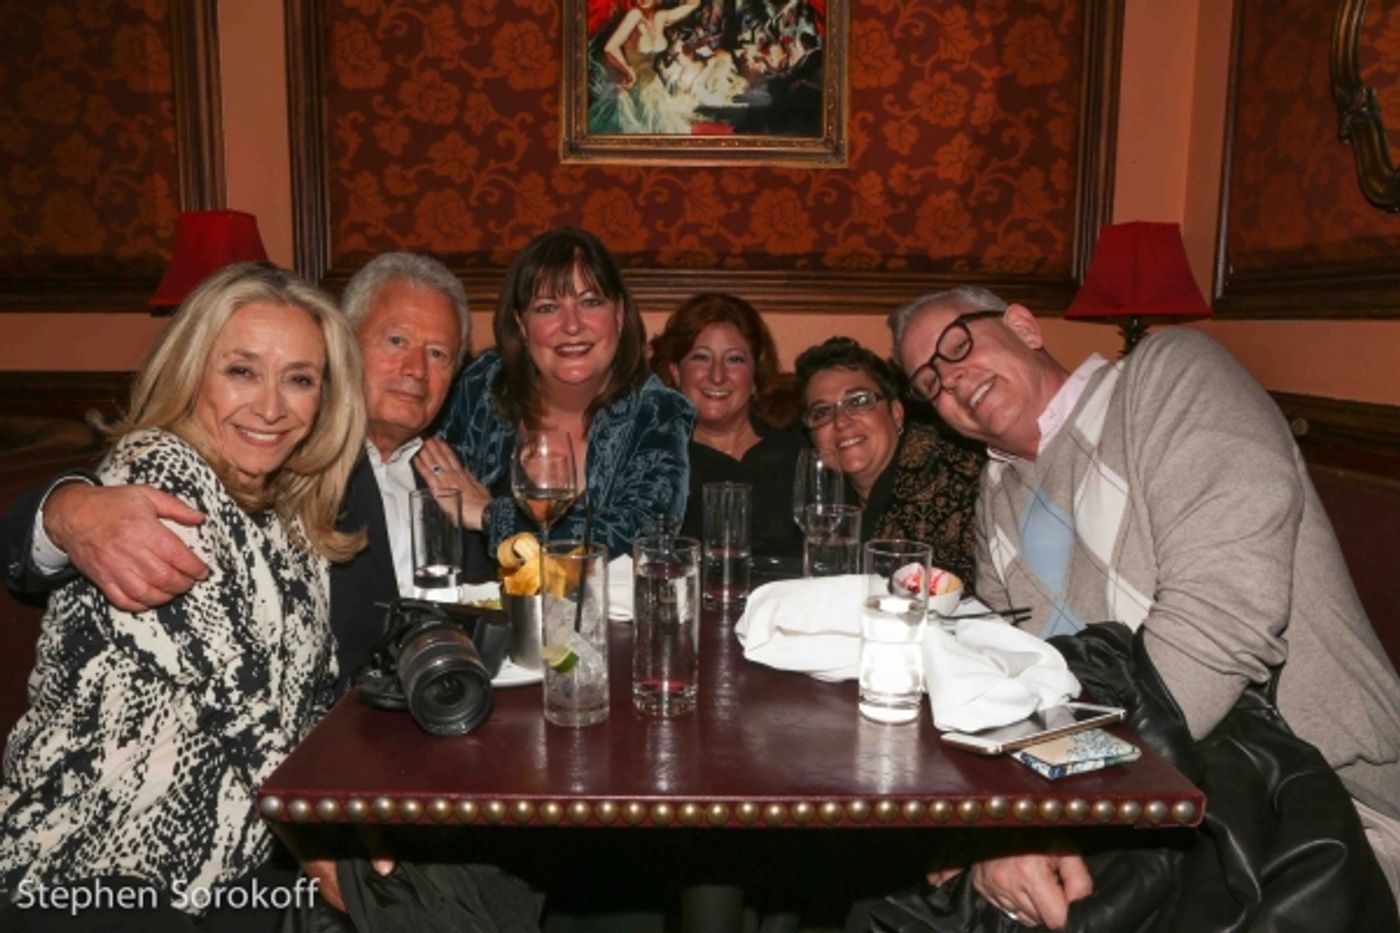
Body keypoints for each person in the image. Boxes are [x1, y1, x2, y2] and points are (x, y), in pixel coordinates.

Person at [888, 286, 1400, 926]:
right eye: (930, 380)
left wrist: (1041, 814)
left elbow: (1223, 621)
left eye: (957, 344)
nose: (952, 380)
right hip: (1149, 797)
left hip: (1314, 807)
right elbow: (1023, 680)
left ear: (1023, 325)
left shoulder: (1169, 374)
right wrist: (984, 815)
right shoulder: (997, 490)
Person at [0, 263, 366, 929]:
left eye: (300, 378)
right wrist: (332, 854)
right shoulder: (159, 474)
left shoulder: (286, 511)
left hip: (226, 877)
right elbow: (241, 700)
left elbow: (315, 700)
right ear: (191, 370)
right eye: (241, 370)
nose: (272, 406)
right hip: (91, 870)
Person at [3, 252, 475, 692]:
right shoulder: (274, 460)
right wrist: (63, 510)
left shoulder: (446, 472)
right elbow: (124, 492)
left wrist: (494, 519)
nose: (416, 369)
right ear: (344, 352)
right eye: (397, 341)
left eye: (439, 354)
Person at [418, 227, 693, 560]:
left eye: (590, 302)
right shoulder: (482, 387)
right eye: (548, 307)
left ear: (619, 316)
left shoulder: (657, 411)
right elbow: (421, 495)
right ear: (522, 324)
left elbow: (646, 534)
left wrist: (492, 516)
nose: (572, 325)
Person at [794, 336, 983, 587]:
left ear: (896, 413)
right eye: (821, 412)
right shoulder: (826, 498)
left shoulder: (949, 477)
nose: (840, 421)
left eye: (858, 401)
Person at [648, 292, 804, 562]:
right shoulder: (653, 460)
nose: (717, 376)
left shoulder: (800, 447)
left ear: (756, 373)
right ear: (675, 371)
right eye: (701, 358)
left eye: (734, 359)